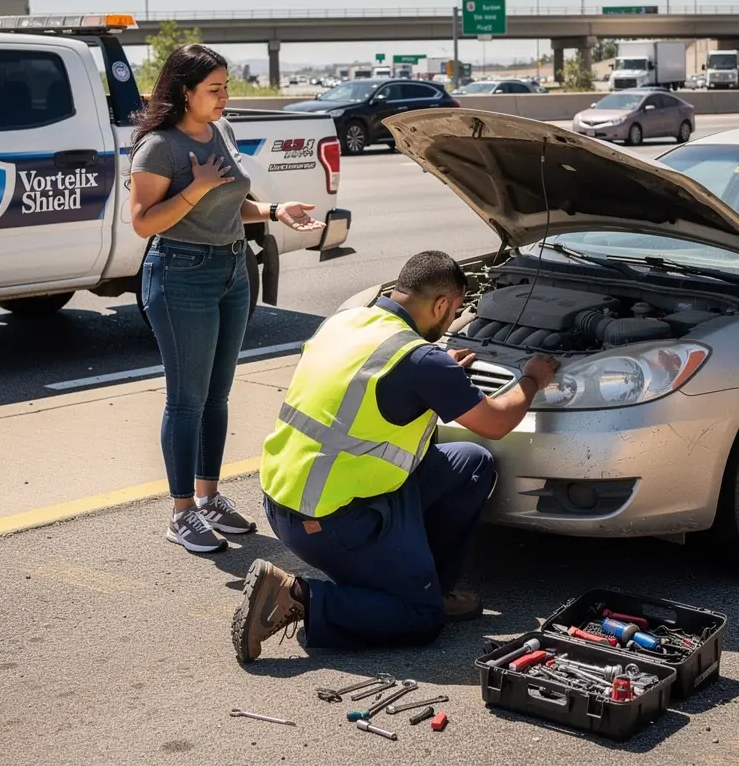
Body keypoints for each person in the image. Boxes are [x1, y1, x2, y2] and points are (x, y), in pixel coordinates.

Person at [231, 251, 558, 662]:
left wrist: (439, 375)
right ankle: (296, 595)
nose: (453, 319)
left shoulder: (348, 322)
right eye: (455, 310)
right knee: (419, 619)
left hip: (288, 500)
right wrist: (532, 378)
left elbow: (367, 386)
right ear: (441, 304)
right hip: (331, 521)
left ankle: (430, 586)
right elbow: (496, 422)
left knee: (471, 464)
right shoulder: (420, 361)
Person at [129, 44, 323, 554]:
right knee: (186, 400)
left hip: (232, 269)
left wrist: (276, 210)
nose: (224, 97)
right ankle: (181, 512)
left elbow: (232, 202)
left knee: (217, 396)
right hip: (180, 273)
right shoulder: (158, 147)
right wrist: (194, 189)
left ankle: (209, 497)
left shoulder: (222, 131)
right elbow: (142, 223)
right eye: (214, 89)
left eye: (226, 87)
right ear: (184, 91)